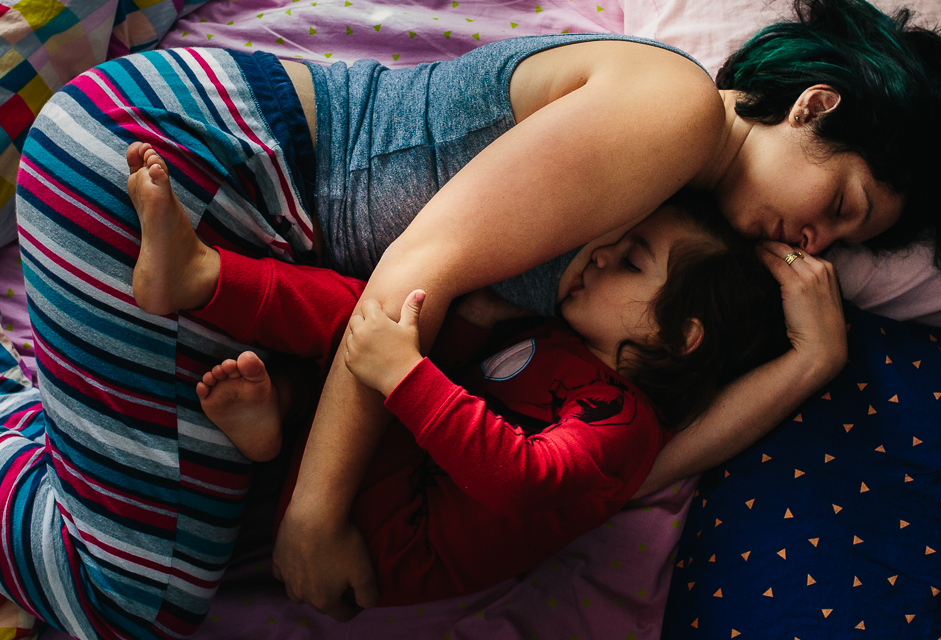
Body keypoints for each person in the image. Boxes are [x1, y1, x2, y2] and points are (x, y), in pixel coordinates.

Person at [8, 0, 941, 635]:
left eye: (845, 239)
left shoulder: (684, 251)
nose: (821, 240)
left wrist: (808, 364)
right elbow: (409, 280)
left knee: (162, 551)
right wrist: (315, 513)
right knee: (133, 605)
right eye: (845, 203)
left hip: (239, 231)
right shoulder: (673, 113)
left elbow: (610, 476)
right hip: (196, 165)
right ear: (815, 106)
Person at [127, 144, 789, 603]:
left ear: (680, 335)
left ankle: (202, 282)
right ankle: (281, 413)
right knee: (376, 316)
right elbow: (478, 376)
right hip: (380, 479)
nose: (602, 254)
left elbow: (526, 478)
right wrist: (466, 326)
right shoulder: (564, 341)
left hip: (389, 535)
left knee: (367, 328)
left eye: (633, 262)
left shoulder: (622, 421)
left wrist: (406, 374)